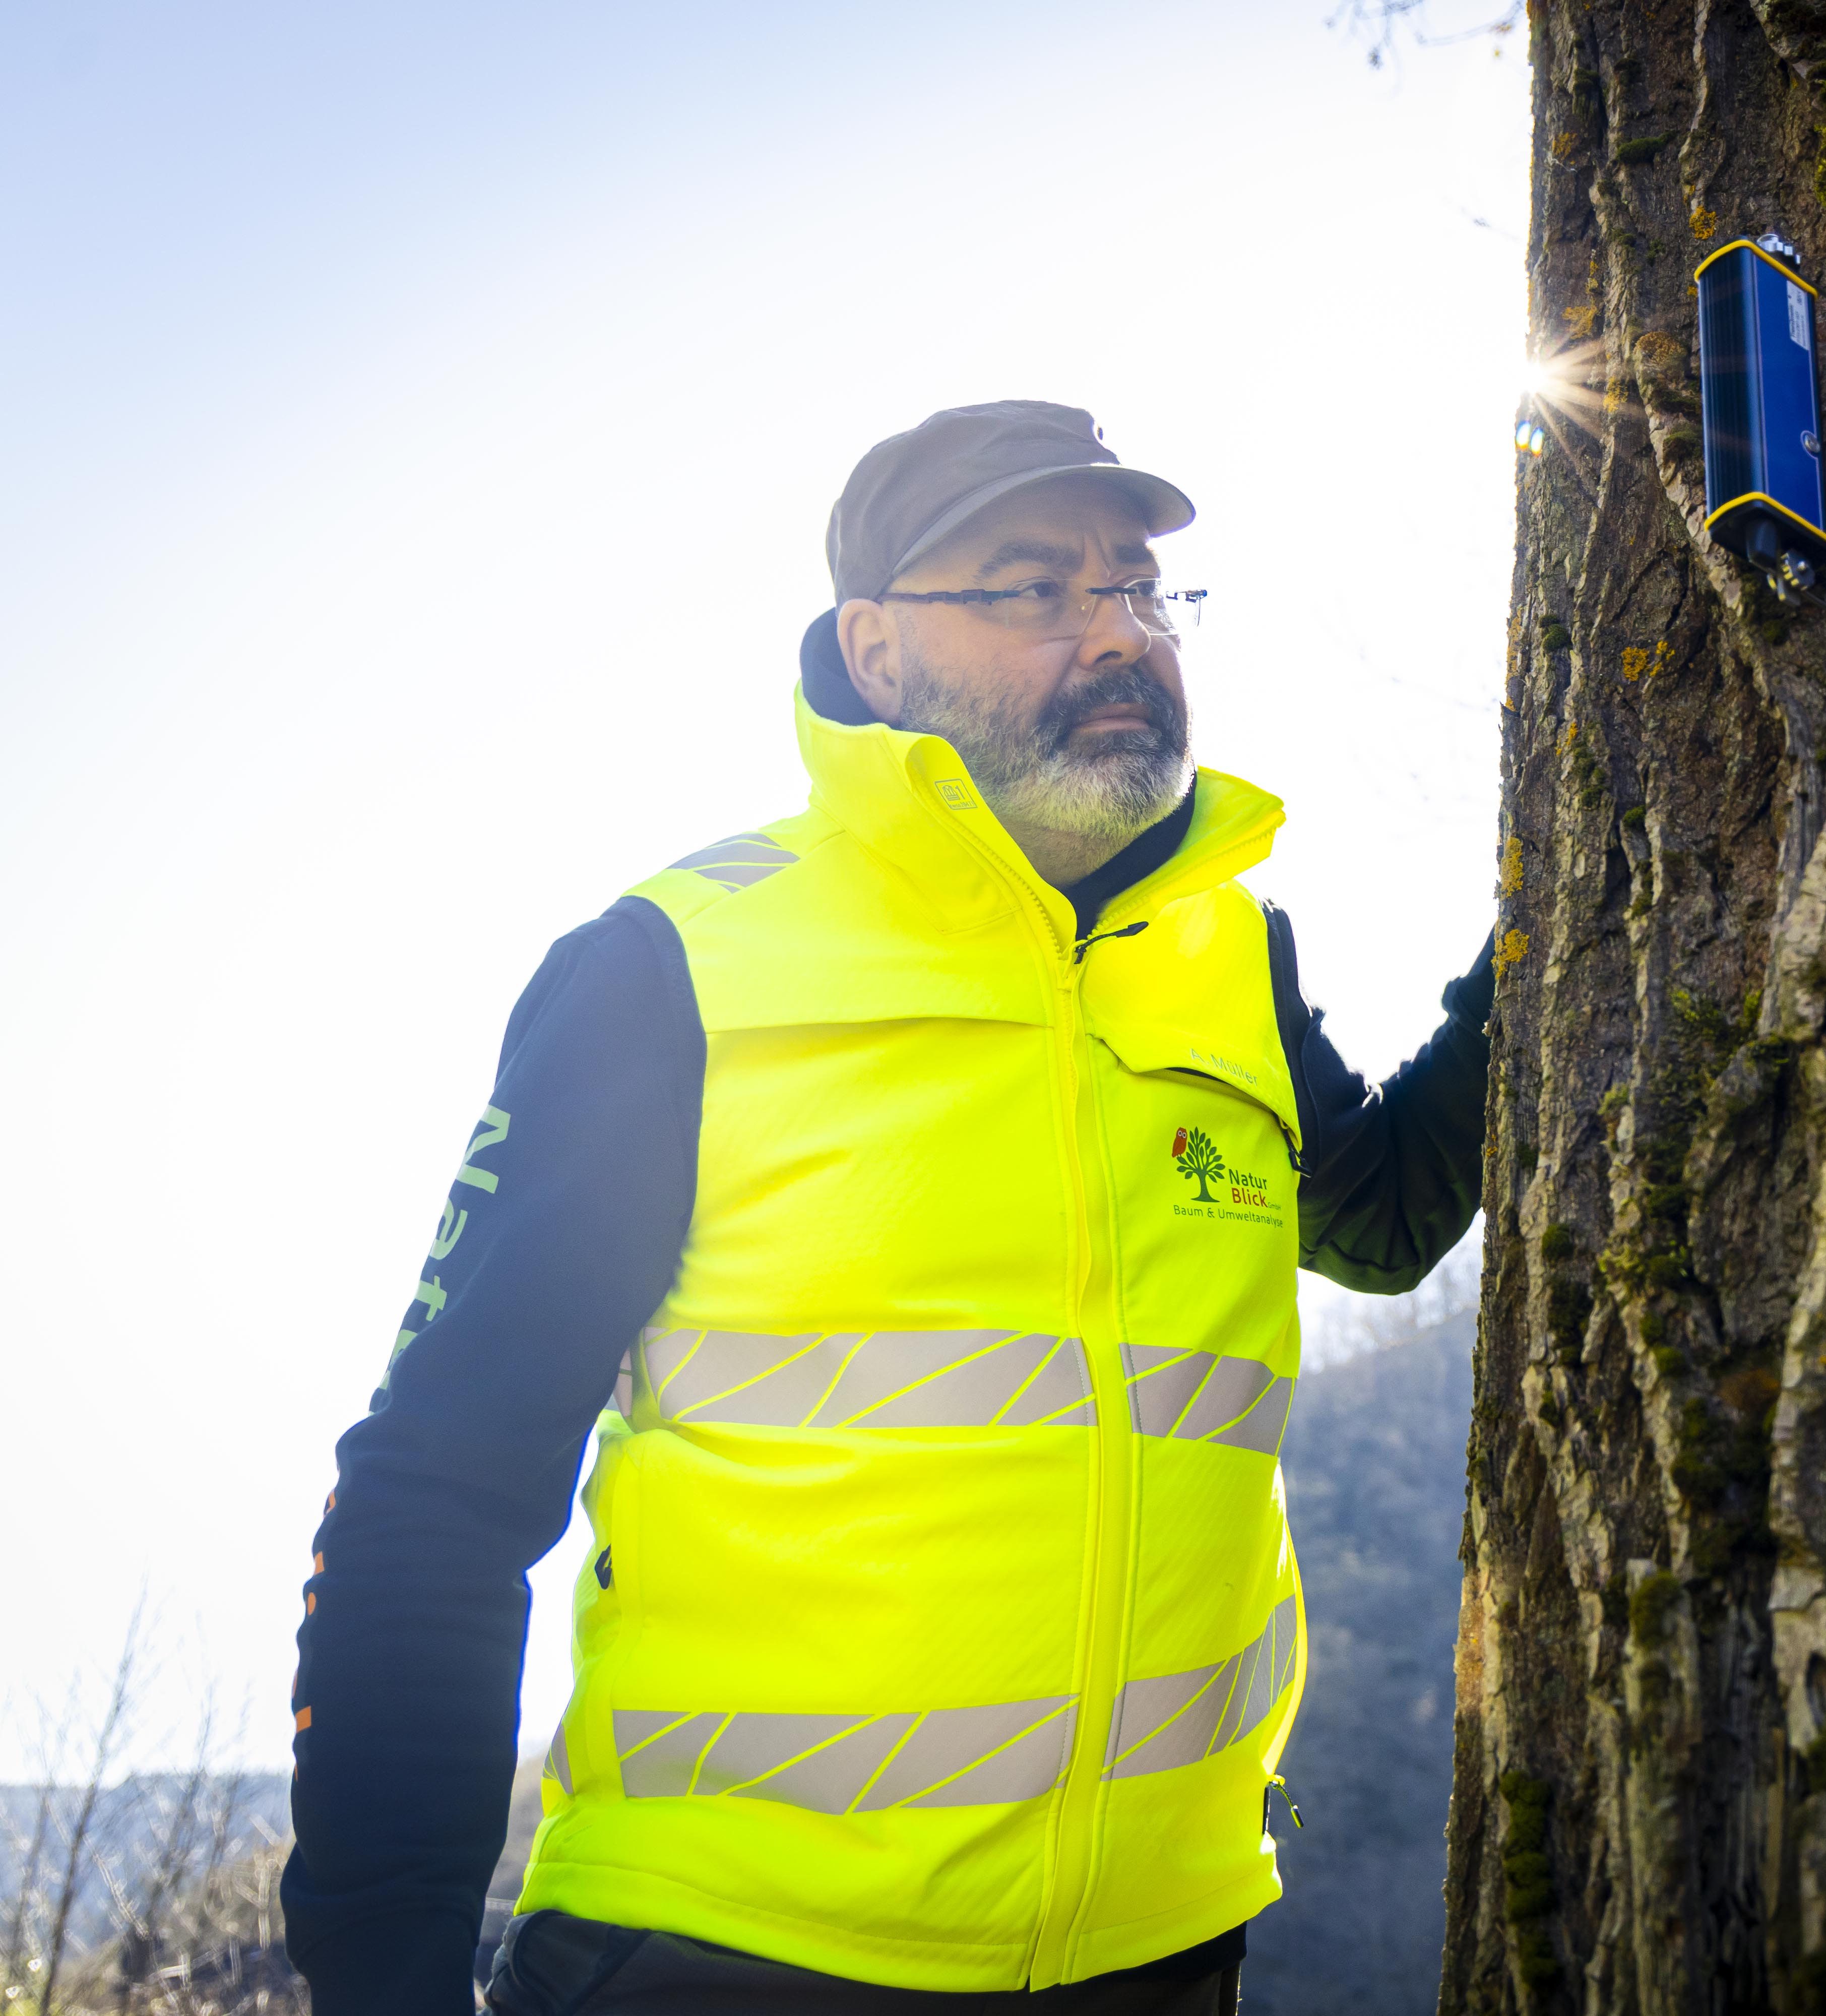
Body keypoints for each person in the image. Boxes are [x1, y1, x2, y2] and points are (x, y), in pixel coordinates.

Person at [280, 401, 1493, 2013]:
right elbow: (439, 1495)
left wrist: (1560, 928)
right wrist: (385, 1977)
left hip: (1165, 1955)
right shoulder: (671, 969)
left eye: (1140, 588)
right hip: (727, 1963)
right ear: (877, 649)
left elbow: (1385, 1216)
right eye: (1036, 588)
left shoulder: (1229, 956)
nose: (1118, 635)